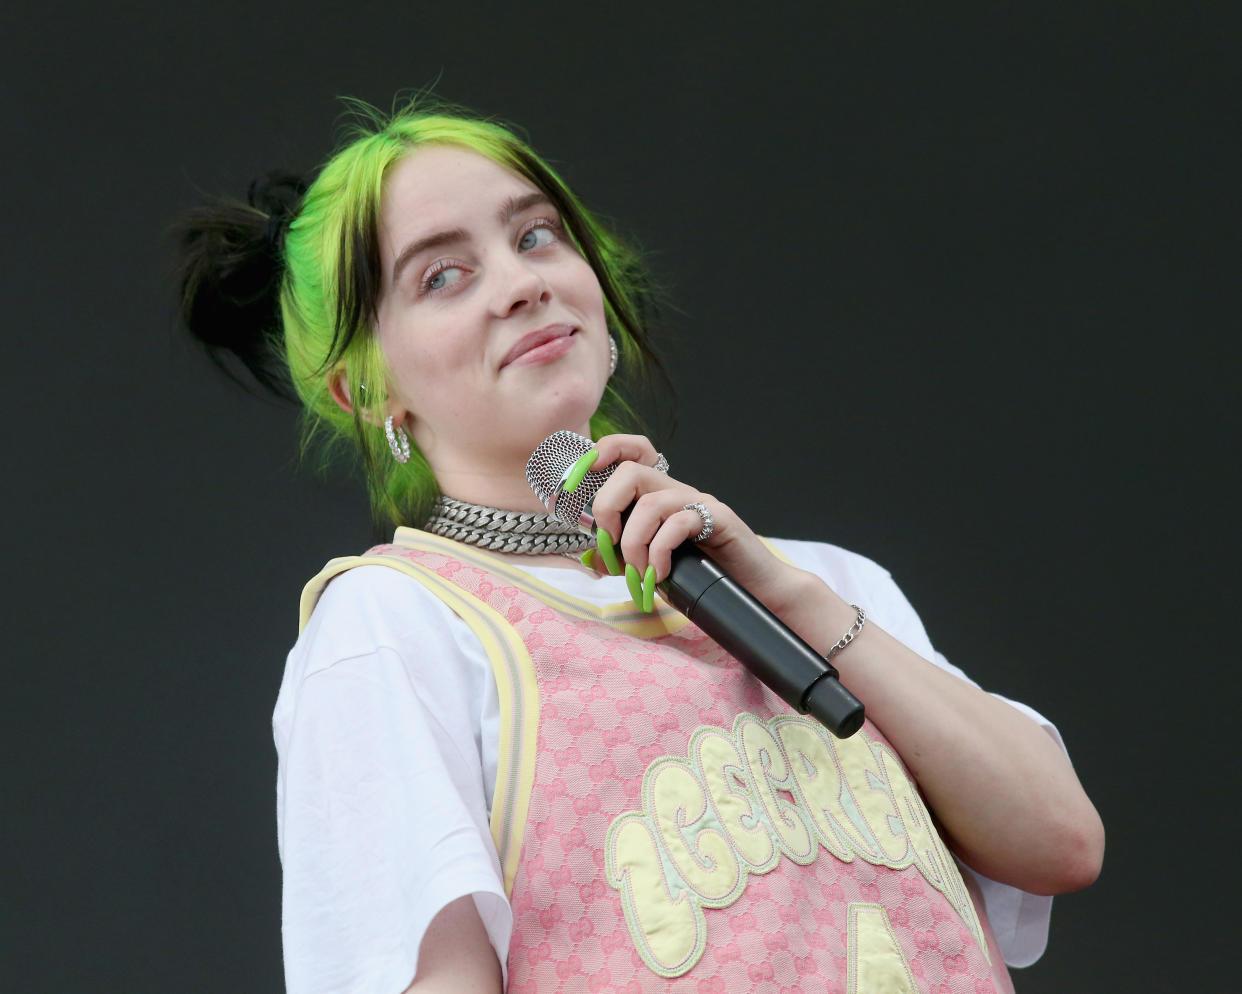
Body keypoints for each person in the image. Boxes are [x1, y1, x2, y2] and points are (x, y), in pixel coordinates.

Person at [177, 97, 1104, 994]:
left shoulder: (827, 580)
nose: (523, 281)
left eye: (536, 235)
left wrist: (794, 599)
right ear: (364, 391)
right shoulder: (397, 625)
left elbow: (1061, 840)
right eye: (442, 276)